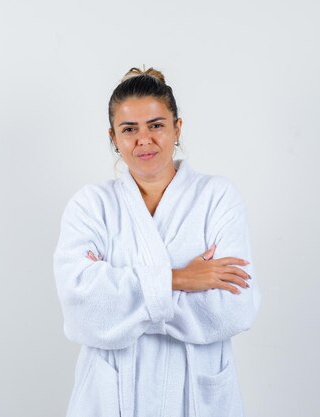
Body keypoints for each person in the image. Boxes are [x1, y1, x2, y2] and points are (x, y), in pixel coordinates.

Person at [53, 66, 262, 417]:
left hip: (194, 392)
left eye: (156, 125)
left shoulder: (217, 197)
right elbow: (82, 310)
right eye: (129, 129)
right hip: (112, 394)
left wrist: (123, 305)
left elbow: (233, 309)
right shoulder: (91, 205)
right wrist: (181, 279)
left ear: (177, 128)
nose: (143, 139)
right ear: (113, 137)